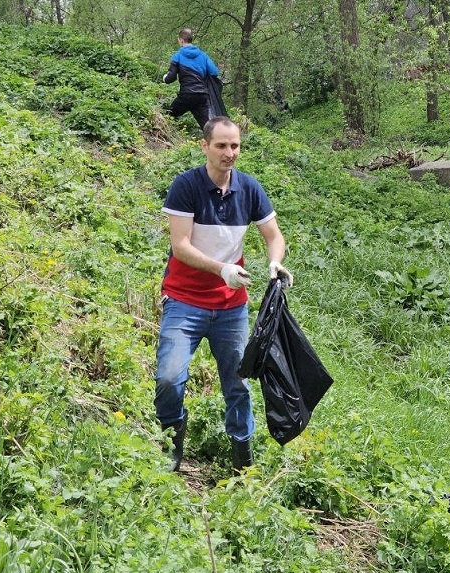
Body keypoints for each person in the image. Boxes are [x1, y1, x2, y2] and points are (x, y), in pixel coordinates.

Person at [154, 116, 294, 473]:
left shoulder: (249, 189)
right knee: (170, 378)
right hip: (184, 300)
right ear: (204, 146)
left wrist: (275, 264)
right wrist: (222, 269)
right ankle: (172, 443)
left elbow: (274, 236)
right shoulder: (186, 186)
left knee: (238, 385)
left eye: (234, 146)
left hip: (231, 307)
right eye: (221, 145)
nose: (229, 153)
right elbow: (181, 246)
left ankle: (241, 461)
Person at [163, 28, 220, 130]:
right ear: (191, 39)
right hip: (202, 96)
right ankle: (218, 142)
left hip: (186, 96)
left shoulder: (178, 56)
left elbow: (170, 78)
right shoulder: (203, 55)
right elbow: (214, 72)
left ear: (181, 40)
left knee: (167, 116)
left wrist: (165, 78)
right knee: (207, 128)